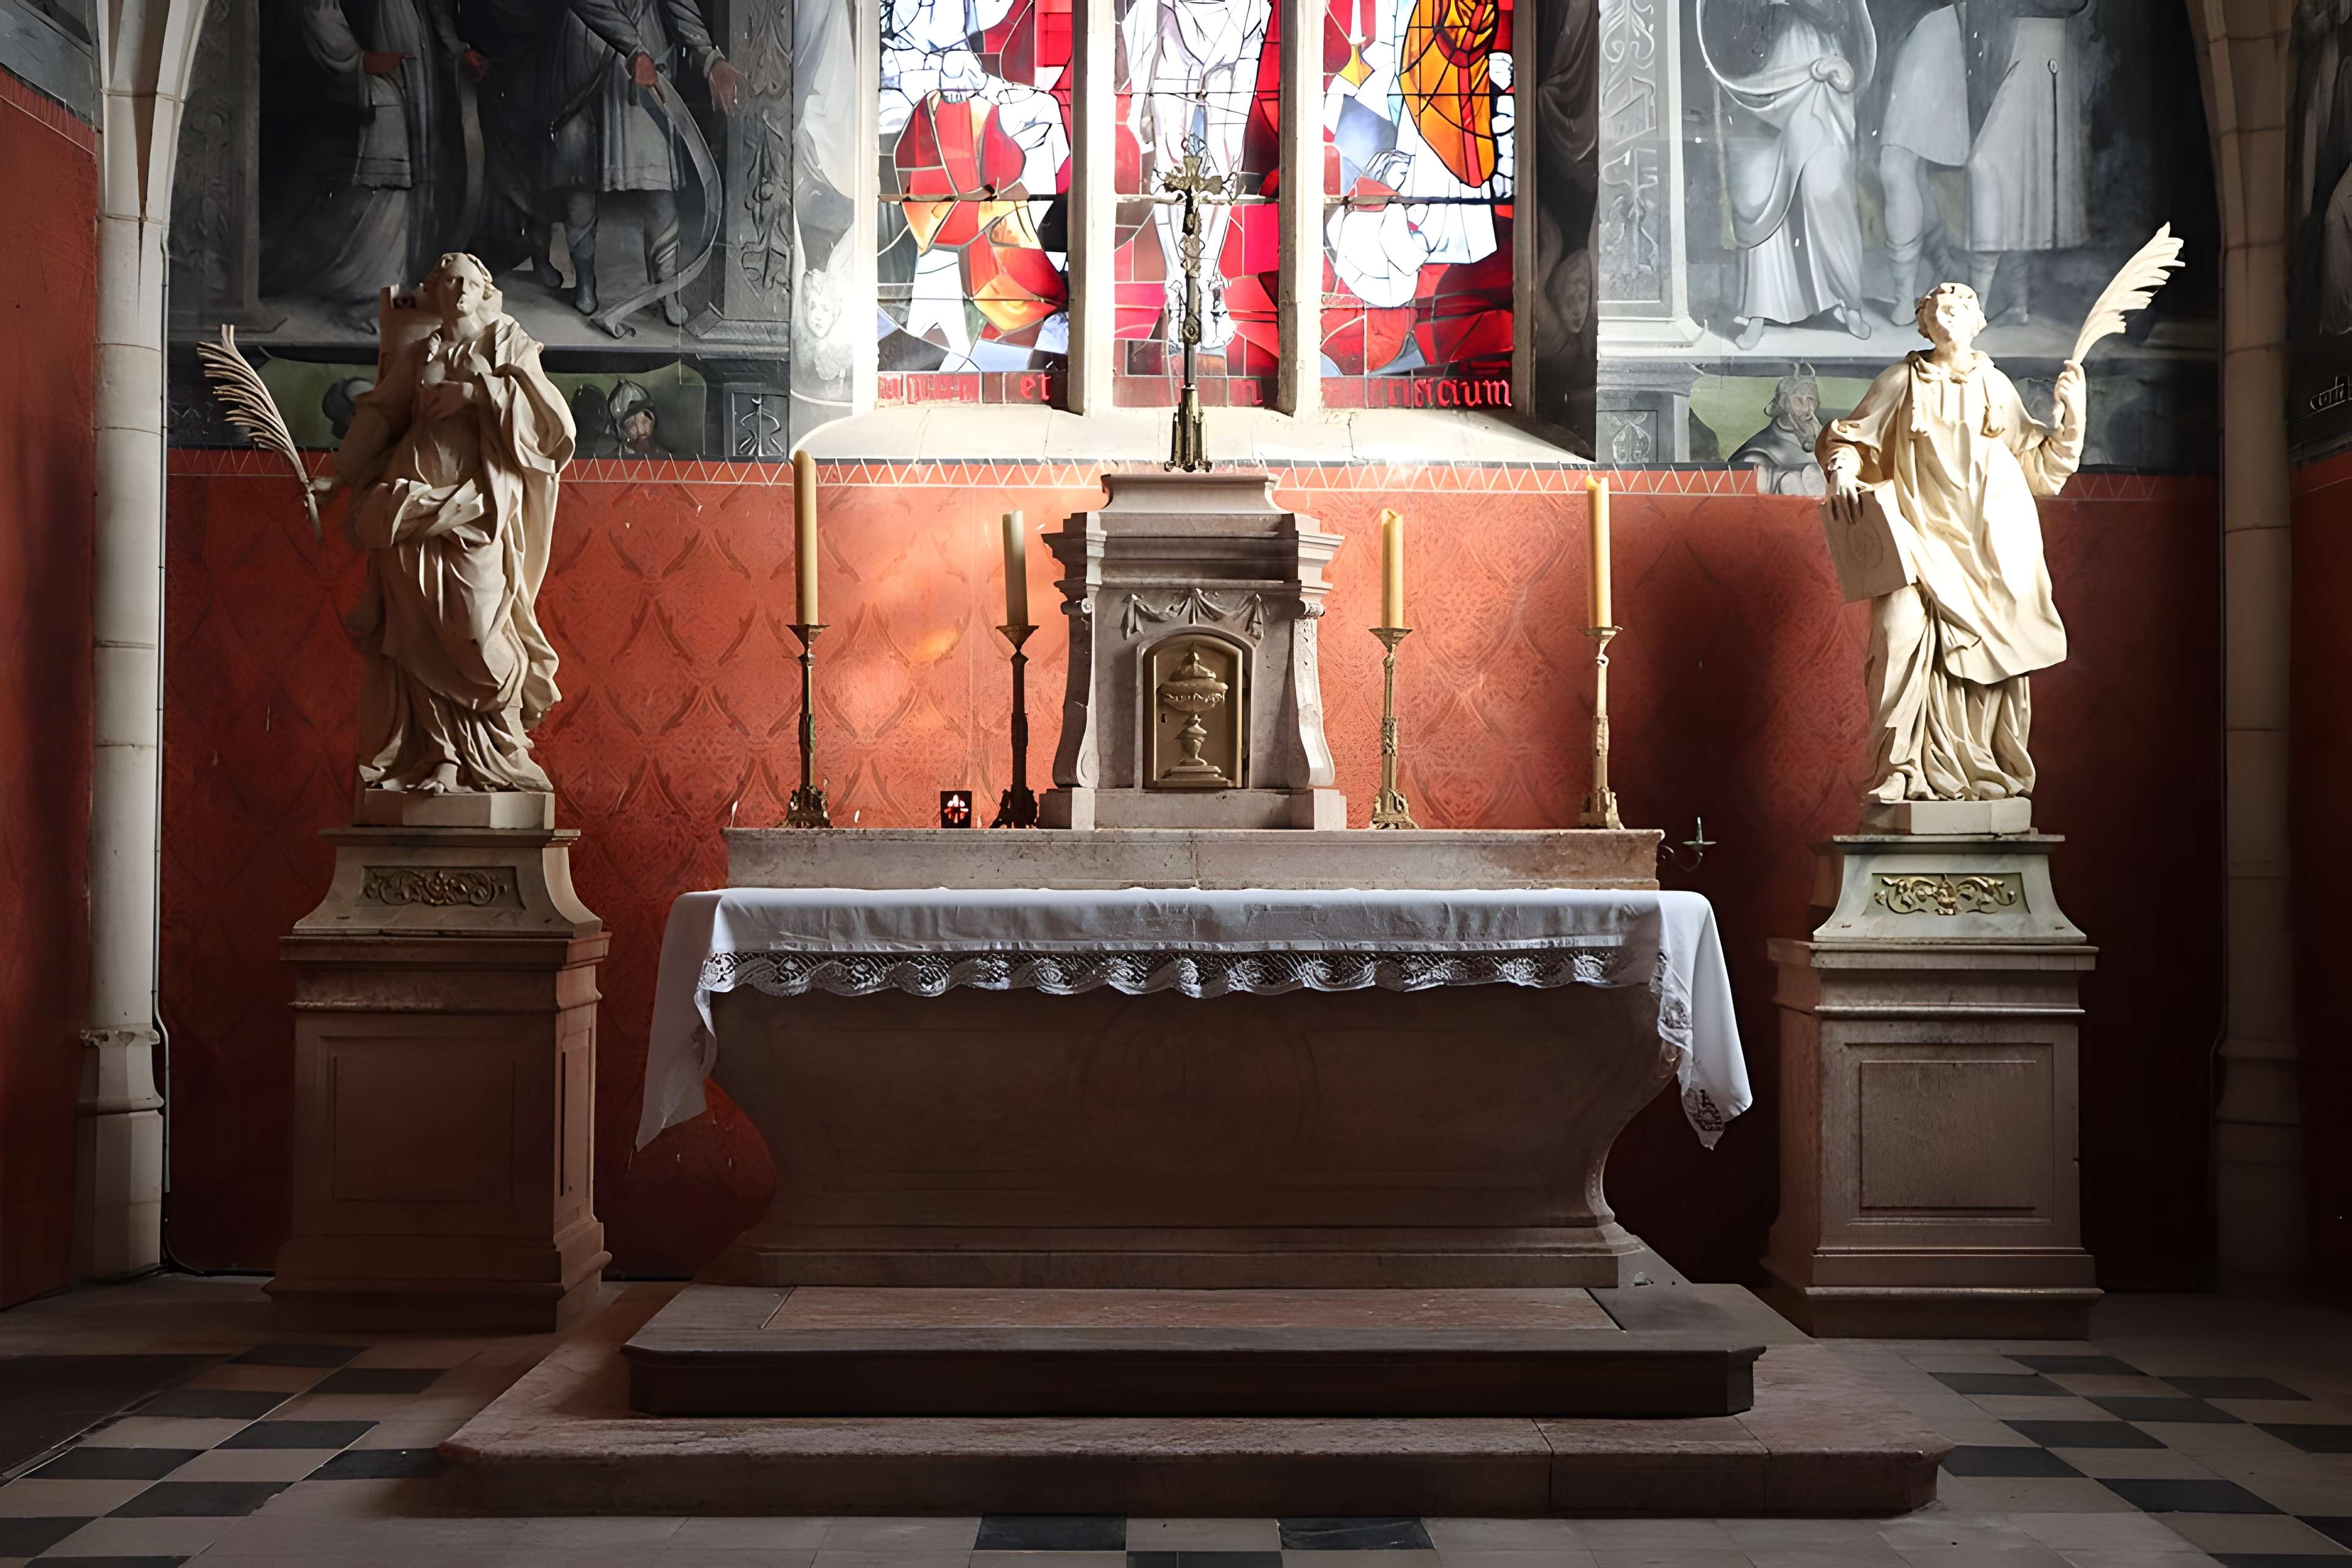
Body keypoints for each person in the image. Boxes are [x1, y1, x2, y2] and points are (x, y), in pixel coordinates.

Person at [311, 253, 578, 794]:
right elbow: (381, 414)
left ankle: (497, 751)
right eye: (449, 280)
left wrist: (477, 393)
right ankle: (440, 757)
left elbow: (552, 425)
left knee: (479, 631)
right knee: (416, 636)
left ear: (485, 291)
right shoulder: (420, 353)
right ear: (434, 291)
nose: (458, 289)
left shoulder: (508, 344)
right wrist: (338, 477)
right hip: (408, 510)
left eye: (470, 281)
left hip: (475, 510)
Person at [1817, 282, 2084, 804]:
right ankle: (1900, 767)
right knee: (1899, 634)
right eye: (1937, 309)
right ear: (1924, 323)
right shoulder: (1902, 381)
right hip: (1919, 538)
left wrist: (2072, 419)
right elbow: (1850, 438)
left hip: (1991, 549)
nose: (1948, 315)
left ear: (1977, 320)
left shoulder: (1997, 386)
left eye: (1961, 308)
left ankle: (1983, 770)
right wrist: (1842, 469)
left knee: (1988, 662)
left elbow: (2041, 468)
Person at [1700, 0, 1875, 347]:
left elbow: (1837, 14)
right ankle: (1758, 310)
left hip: (1820, 76)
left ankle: (1848, 300)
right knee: (1760, 189)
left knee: (1824, 192)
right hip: (1771, 75)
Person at [1729, 364, 1828, 494]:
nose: (1808, 410)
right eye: (1798, 400)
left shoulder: (1823, 441)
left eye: (1811, 400)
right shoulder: (1755, 457)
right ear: (1783, 402)